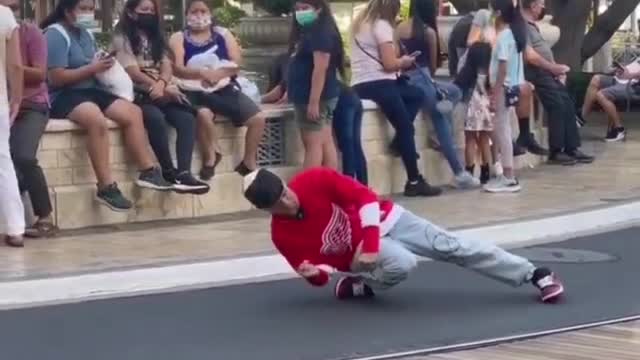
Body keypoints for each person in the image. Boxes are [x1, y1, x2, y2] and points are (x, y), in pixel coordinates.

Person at [241, 167, 565, 303]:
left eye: (285, 190)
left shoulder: (313, 180)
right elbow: (318, 275)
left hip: (387, 221)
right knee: (405, 264)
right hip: (361, 255)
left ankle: (534, 274)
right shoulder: (282, 236)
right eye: (279, 202)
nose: (289, 200)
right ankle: (362, 282)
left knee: (451, 246)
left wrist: (368, 244)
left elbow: (365, 198)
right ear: (265, 210)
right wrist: (312, 276)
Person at [41, 0, 172, 212]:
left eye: (91, 9)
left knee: (132, 112)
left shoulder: (86, 35)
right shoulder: (54, 35)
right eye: (83, 9)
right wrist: (92, 68)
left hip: (91, 89)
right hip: (64, 95)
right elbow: (55, 78)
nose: (88, 14)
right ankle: (106, 187)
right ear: (67, 10)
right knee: (95, 120)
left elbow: (93, 66)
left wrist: (104, 65)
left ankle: (148, 170)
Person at [113, 0, 209, 194]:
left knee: (186, 118)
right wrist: (154, 86)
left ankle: (183, 173)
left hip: (161, 88)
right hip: (137, 92)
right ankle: (167, 171)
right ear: (131, 13)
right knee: (155, 118)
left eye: (151, 10)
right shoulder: (121, 37)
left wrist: (162, 84)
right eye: (144, 10)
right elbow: (132, 71)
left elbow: (166, 65)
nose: (149, 14)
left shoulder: (157, 36)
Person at [350, 0, 440, 197]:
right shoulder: (381, 26)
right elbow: (390, 64)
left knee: (416, 94)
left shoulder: (360, 23)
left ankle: (399, 141)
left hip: (361, 84)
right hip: (379, 83)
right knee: (406, 128)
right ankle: (414, 180)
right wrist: (405, 61)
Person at [169, 0, 266, 176]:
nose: (199, 16)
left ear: (210, 13)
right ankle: (211, 158)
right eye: (194, 11)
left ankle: (249, 160)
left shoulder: (222, 34)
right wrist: (201, 73)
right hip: (194, 91)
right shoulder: (178, 37)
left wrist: (218, 75)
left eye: (203, 11)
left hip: (224, 87)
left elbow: (236, 63)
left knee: (258, 118)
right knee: (203, 115)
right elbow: (177, 68)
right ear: (187, 15)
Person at [397, 0, 479, 189]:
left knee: (449, 97)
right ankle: (459, 172)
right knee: (443, 113)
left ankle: (443, 140)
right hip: (425, 79)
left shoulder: (399, 28)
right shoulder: (429, 32)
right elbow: (433, 67)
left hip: (407, 79)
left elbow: (396, 55)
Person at [263, 53, 368, 184]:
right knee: (353, 145)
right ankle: (362, 186)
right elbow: (282, 91)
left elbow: (282, 93)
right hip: (351, 97)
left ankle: (349, 185)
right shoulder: (303, 65)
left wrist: (260, 100)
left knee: (346, 145)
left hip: (342, 102)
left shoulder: (295, 69)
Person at [2, 0, 57, 238]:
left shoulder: (30, 33)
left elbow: (40, 73)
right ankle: (16, 223)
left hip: (31, 105)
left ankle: (44, 216)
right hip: (7, 106)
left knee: (22, 155)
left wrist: (12, 68)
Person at [522, 0, 594, 164]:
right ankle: (557, 150)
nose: (543, 7)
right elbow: (530, 56)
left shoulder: (532, 25)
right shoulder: (522, 26)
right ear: (532, 6)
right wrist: (552, 68)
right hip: (534, 72)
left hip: (546, 71)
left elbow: (542, 52)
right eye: (540, 4)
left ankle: (572, 147)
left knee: (567, 102)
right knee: (557, 104)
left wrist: (555, 69)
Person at [286, 0, 341, 169]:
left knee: (313, 146)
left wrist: (313, 101)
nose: (300, 12)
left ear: (318, 9)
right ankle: (330, 185)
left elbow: (320, 68)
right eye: (298, 9)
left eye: (305, 8)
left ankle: (310, 188)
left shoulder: (320, 33)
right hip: (318, 95)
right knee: (325, 142)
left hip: (314, 97)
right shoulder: (310, 32)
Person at [484, 0, 528, 193]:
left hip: (503, 87)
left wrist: (495, 91)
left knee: (502, 130)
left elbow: (502, 67)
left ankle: (508, 176)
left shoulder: (504, 37)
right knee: (505, 129)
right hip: (513, 86)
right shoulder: (515, 35)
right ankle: (508, 175)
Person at [0, 4, 26, 247]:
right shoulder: (5, 16)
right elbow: (15, 66)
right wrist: (16, 97)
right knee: (3, 162)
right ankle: (15, 227)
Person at [455, 42, 494, 184]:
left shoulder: (467, 73)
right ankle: (486, 171)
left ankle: (470, 170)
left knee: (470, 140)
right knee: (484, 140)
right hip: (486, 108)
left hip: (471, 109)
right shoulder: (489, 73)